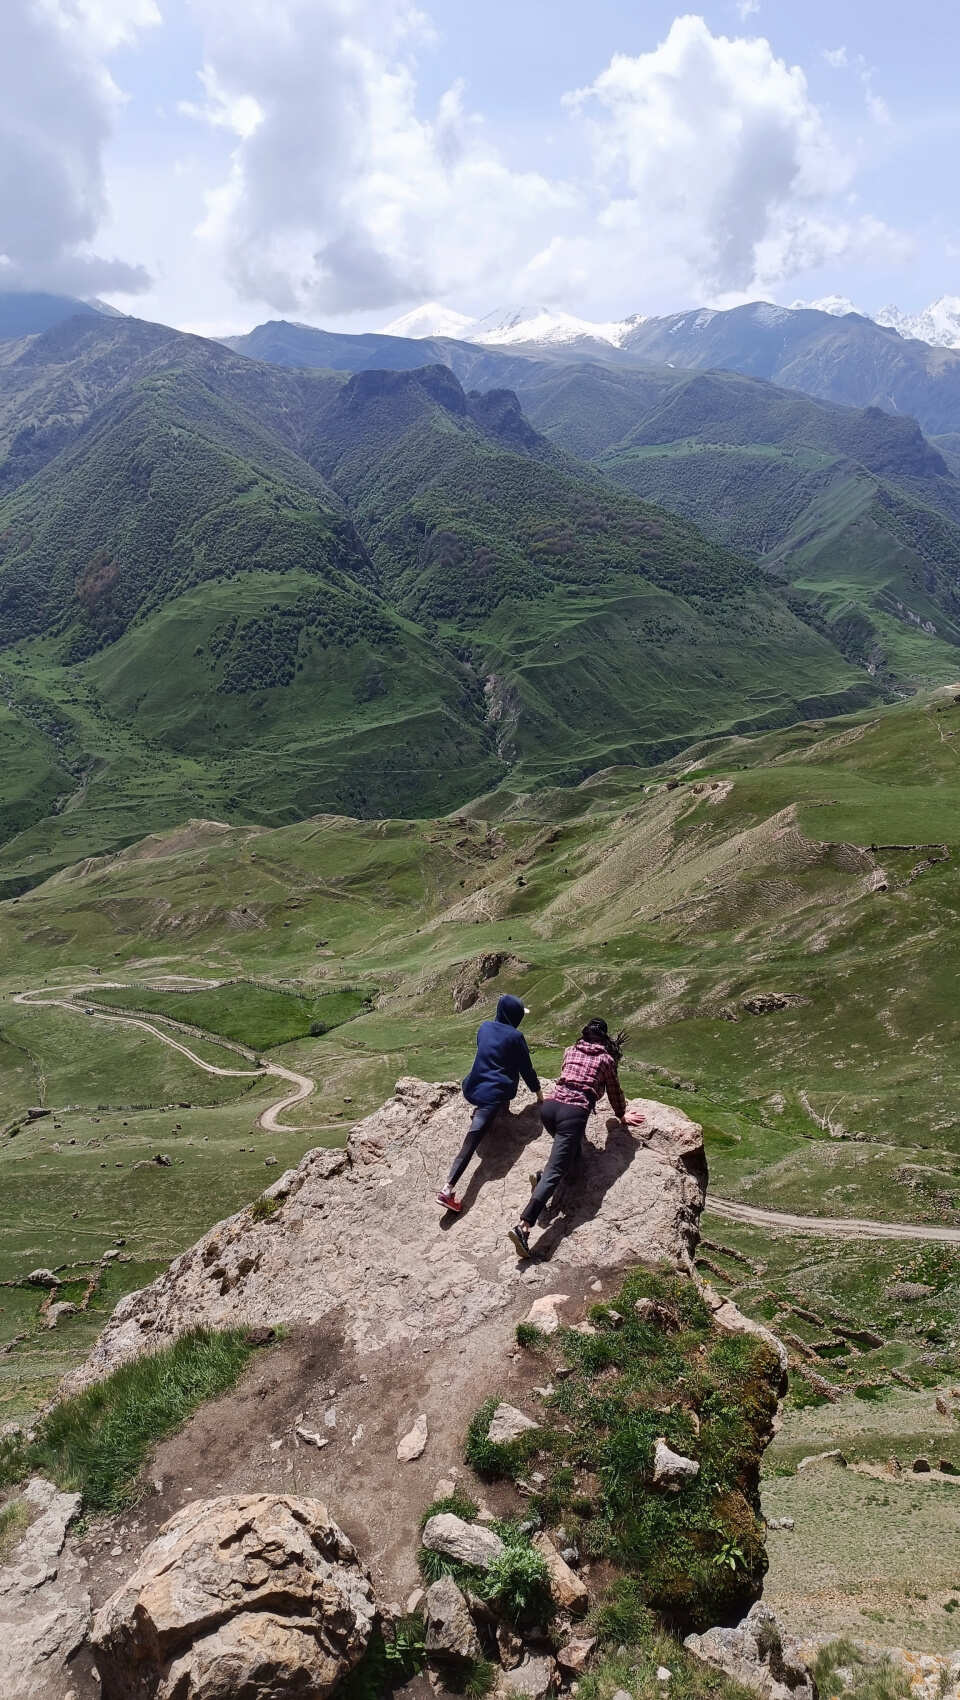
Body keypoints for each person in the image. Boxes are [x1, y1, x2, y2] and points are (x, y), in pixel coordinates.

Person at [508, 1017, 640, 1258]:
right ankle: (524, 1227)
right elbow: (614, 1091)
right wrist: (621, 1115)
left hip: (550, 1109)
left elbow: (565, 1077)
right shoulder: (606, 1059)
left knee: (575, 1166)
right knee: (556, 1171)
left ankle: (541, 1180)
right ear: (604, 1038)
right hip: (573, 1115)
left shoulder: (570, 1050)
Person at [437, 993, 542, 1212]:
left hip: (472, 1087)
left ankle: (491, 1112)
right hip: (491, 1096)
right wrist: (539, 1095)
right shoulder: (515, 1037)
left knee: (484, 1122)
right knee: (471, 1142)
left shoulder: (484, 1027)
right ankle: (447, 1190)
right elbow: (526, 1070)